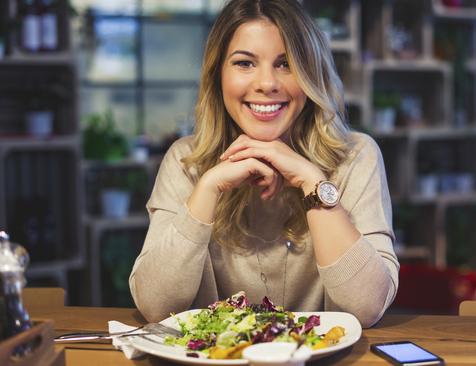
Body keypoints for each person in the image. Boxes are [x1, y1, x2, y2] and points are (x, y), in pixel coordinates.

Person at [129, 0, 399, 328]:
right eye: (245, 63)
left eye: (286, 64)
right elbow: (155, 305)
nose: (267, 83)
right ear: (218, 76)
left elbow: (367, 306)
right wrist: (209, 188)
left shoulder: (357, 156)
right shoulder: (186, 161)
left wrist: (312, 182)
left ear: (311, 74)